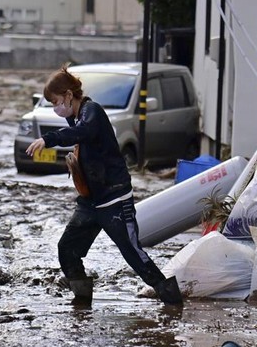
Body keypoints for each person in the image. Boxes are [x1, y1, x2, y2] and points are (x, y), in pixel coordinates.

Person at [26, 65, 183, 306]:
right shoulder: (74, 116)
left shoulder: (92, 112)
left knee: (133, 254)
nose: (56, 108)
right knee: (67, 248)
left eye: (57, 101)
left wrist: (48, 139)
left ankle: (172, 300)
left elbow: (83, 133)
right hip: (90, 202)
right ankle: (81, 302)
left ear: (69, 95)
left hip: (115, 200)